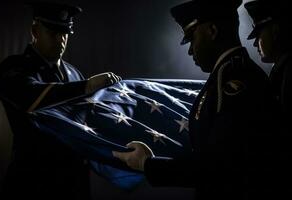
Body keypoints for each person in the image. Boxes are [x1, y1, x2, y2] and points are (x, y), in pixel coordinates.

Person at [113, 0, 277, 199]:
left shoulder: (236, 81)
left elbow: (220, 166)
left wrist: (147, 164)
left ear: (212, 31)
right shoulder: (227, 76)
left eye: (192, 39)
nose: (190, 50)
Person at [0, 2, 121, 200]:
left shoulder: (74, 73)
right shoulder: (15, 67)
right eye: (53, 33)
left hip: (74, 182)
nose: (60, 40)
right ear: (35, 30)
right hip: (33, 181)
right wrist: (87, 87)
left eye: (64, 34)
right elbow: (30, 97)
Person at [244, 0, 292, 198]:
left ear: (276, 30)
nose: (255, 43)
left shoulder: (290, 71)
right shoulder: (284, 68)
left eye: (259, 34)